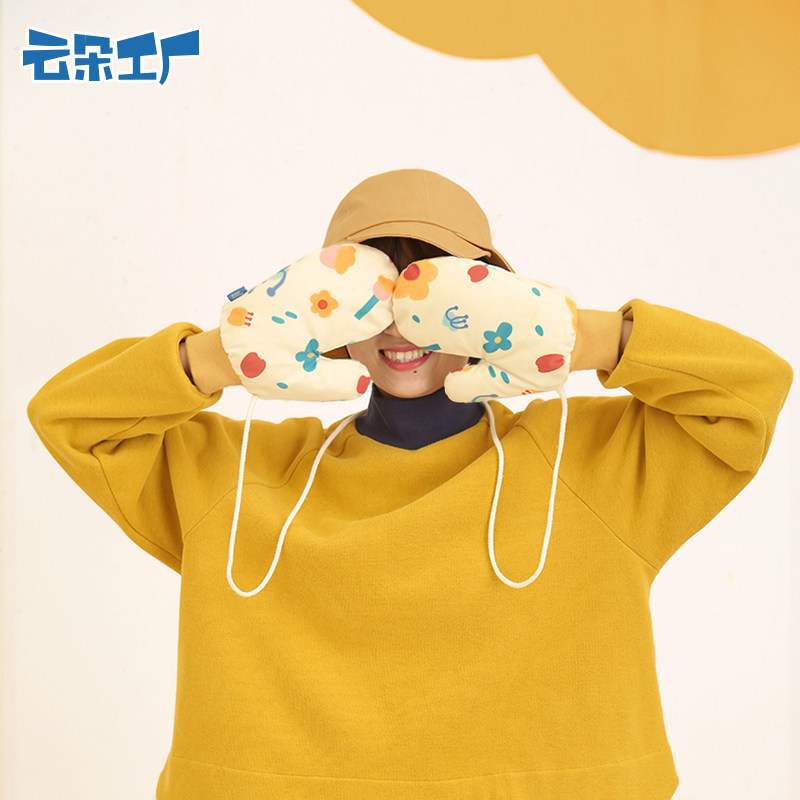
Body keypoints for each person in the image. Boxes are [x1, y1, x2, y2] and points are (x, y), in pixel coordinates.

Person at [27, 168, 792, 800]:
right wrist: (229, 352)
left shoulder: (589, 463)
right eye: (368, 292)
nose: (400, 323)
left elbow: (749, 394)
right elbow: (71, 418)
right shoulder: (243, 475)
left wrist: (582, 337)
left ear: (494, 300)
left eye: (437, 295)